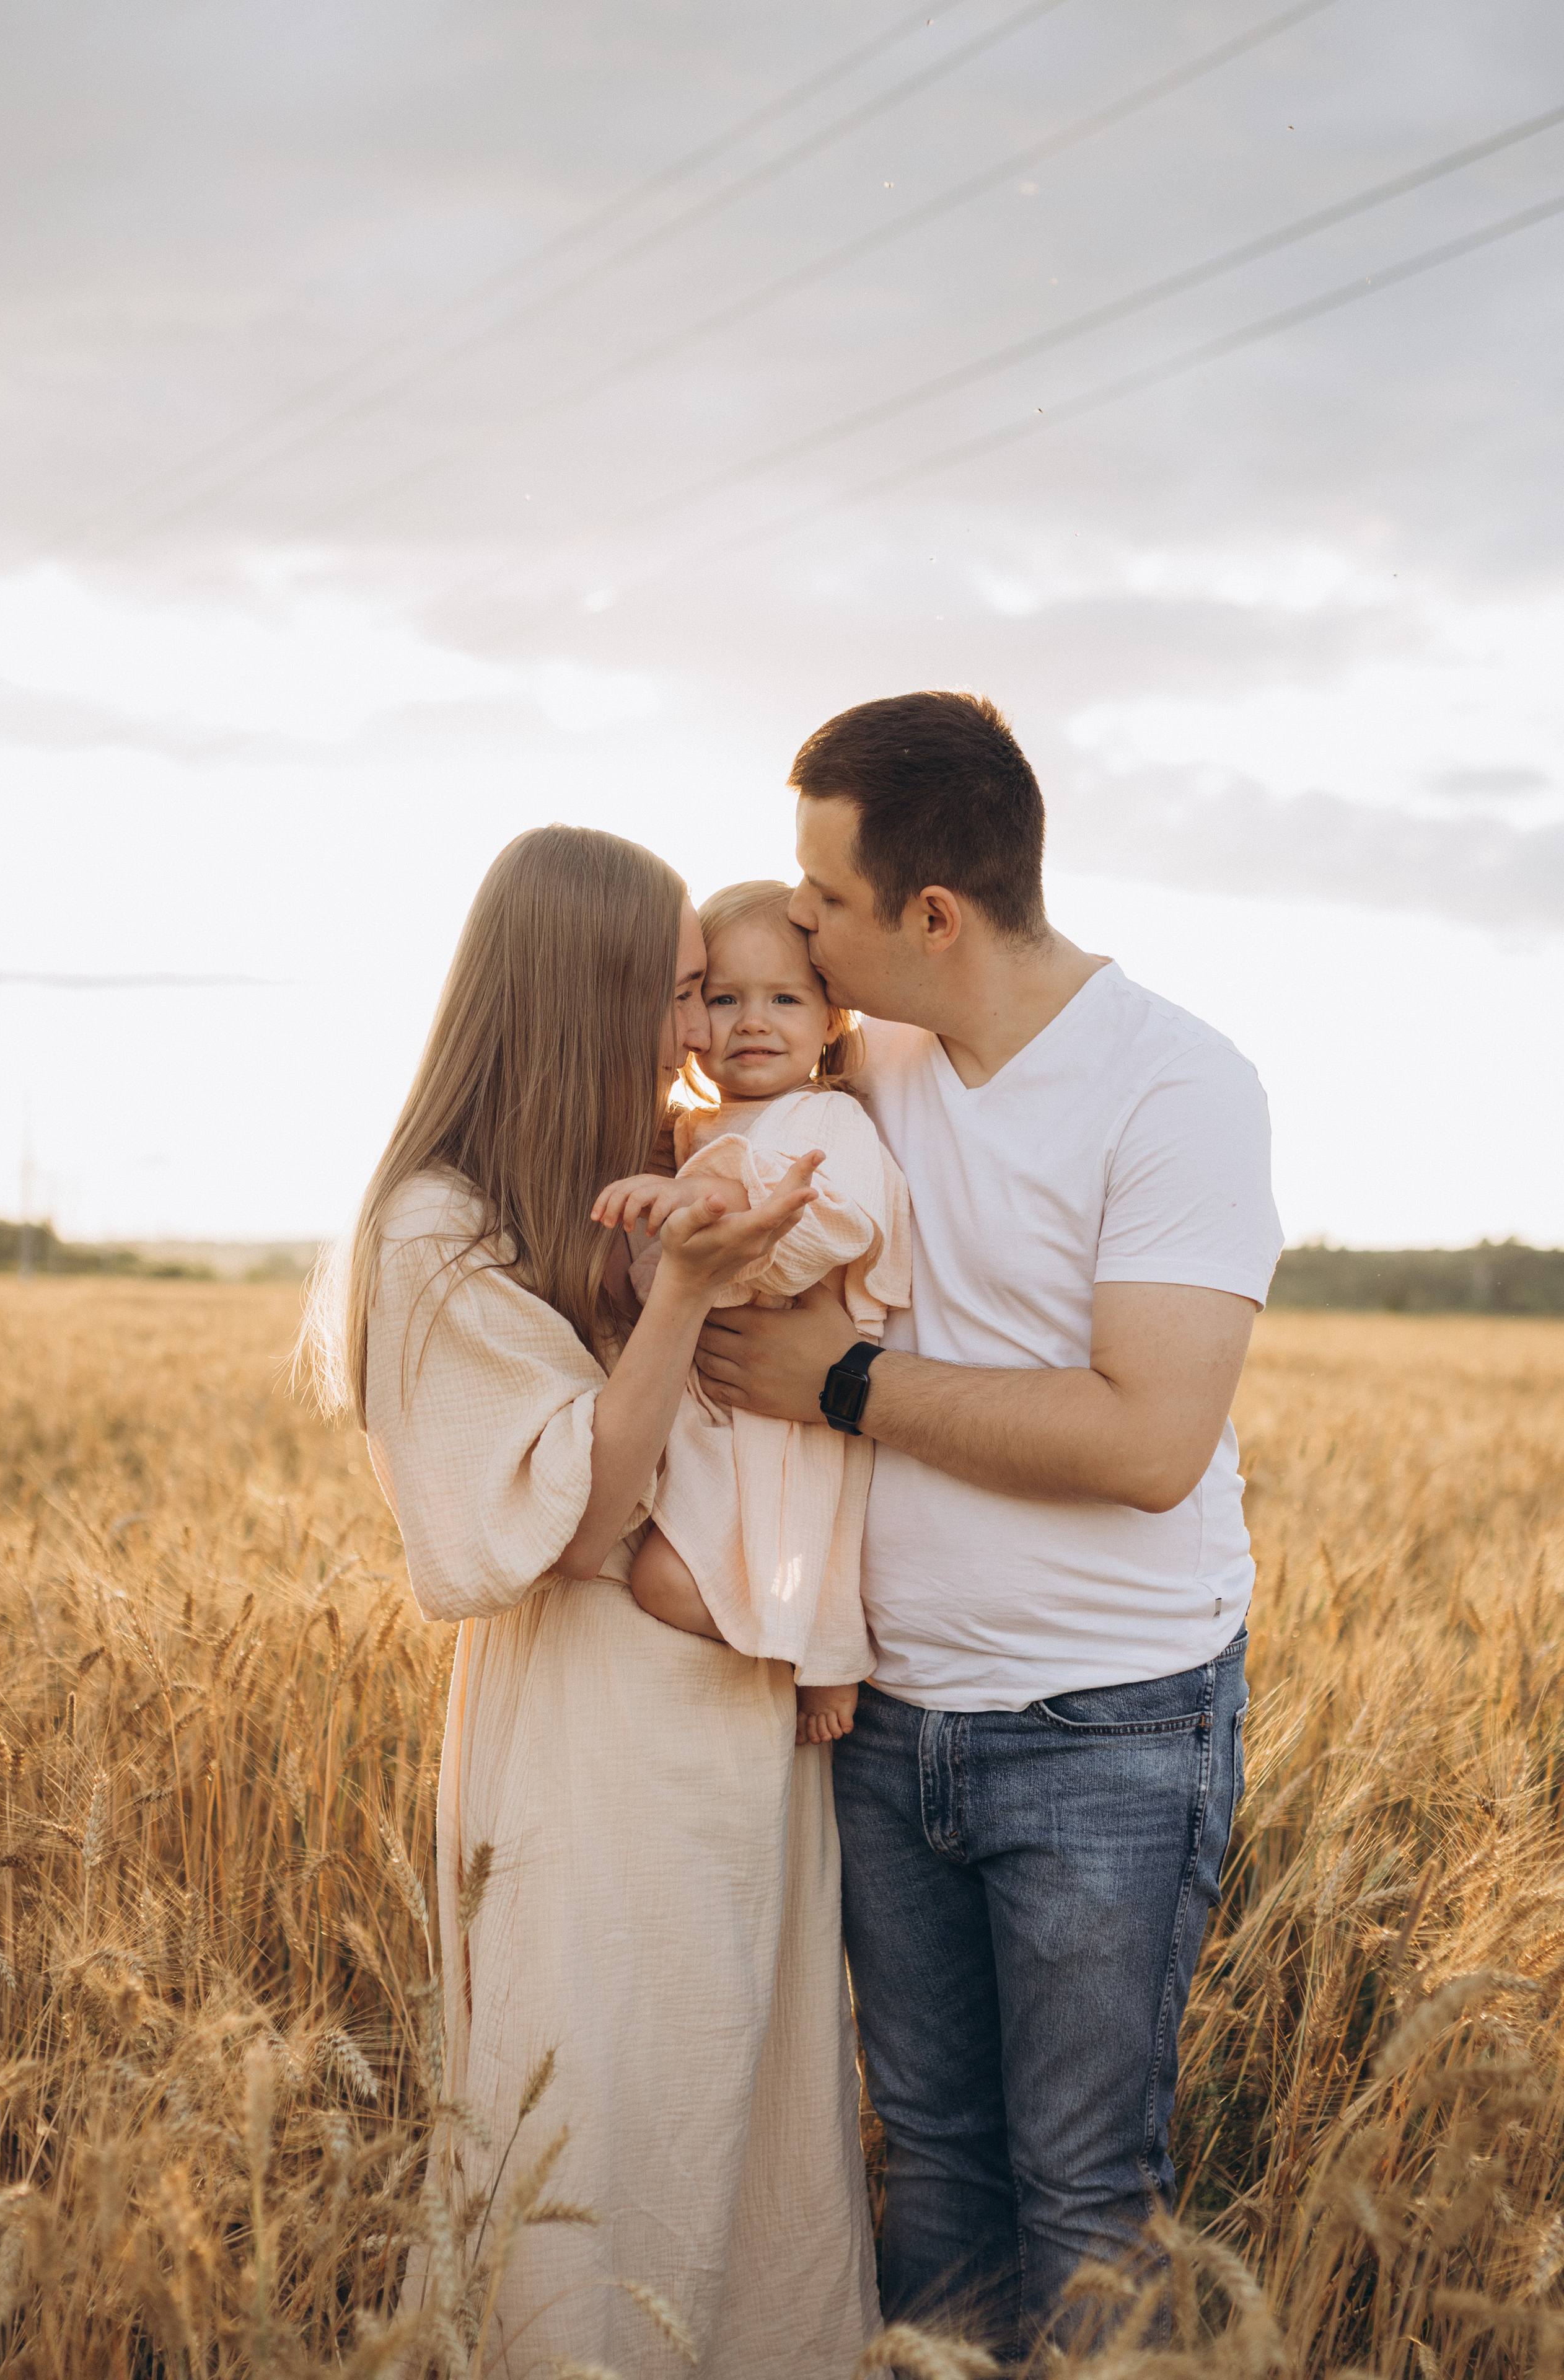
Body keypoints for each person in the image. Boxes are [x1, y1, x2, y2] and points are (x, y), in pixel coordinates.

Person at [693, 692, 1285, 2353]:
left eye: (822, 900)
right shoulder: (860, 1054)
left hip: (1106, 1726)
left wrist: (847, 1383)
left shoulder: (1177, 1087)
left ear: (928, 916)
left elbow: (1151, 1438)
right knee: (934, 2170)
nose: (798, 928)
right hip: (886, 1725)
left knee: (1090, 2196)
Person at [303, 827, 881, 2378]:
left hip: (735, 1712)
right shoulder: (436, 1228)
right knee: (594, 2107)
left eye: (716, 997)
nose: (704, 1032)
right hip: (590, 1736)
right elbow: (580, 1505)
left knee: (741, 2116)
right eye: (684, 993)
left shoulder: (644, 1175)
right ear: (589, 990)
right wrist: (687, 1294)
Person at [592, 878, 910, 1746]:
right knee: (661, 1572)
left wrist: (711, 1192)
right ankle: (789, 1640)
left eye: (784, 998)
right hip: (704, 1408)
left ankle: (825, 1651)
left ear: (829, 1020)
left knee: (796, 1536)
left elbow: (840, 1224)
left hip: (786, 1409)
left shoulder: (826, 1117)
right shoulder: (691, 1130)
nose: (751, 1021)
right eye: (721, 998)